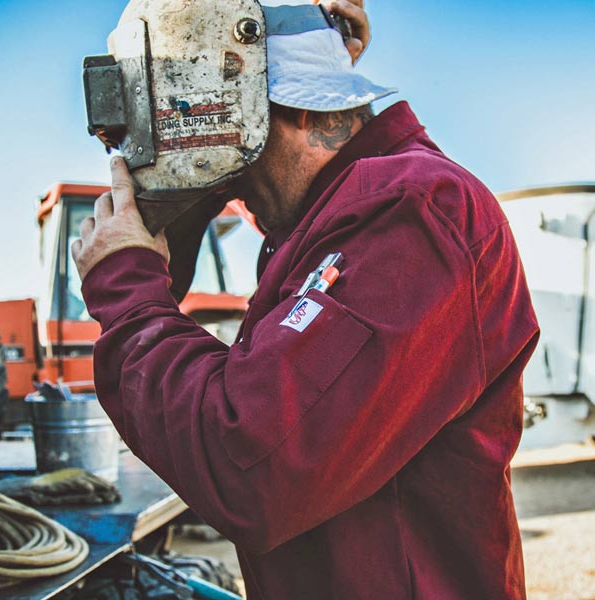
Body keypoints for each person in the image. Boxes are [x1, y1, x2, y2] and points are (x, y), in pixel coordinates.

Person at [72, 2, 539, 597]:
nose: (232, 195)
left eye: (234, 172)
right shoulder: (329, 222)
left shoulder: (413, 208)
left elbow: (251, 468)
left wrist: (128, 290)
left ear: (280, 107)